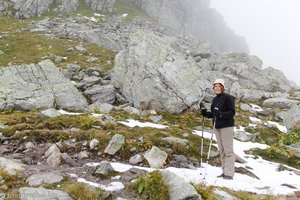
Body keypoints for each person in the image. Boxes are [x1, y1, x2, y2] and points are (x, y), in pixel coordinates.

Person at [201, 79, 236, 180]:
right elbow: (213, 114)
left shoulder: (228, 98)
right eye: (215, 86)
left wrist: (221, 113)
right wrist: (206, 113)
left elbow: (232, 112)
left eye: (219, 86)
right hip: (217, 127)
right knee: (222, 150)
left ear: (222, 87)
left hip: (226, 126)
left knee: (228, 150)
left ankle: (229, 173)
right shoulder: (215, 99)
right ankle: (224, 172)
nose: (216, 88)